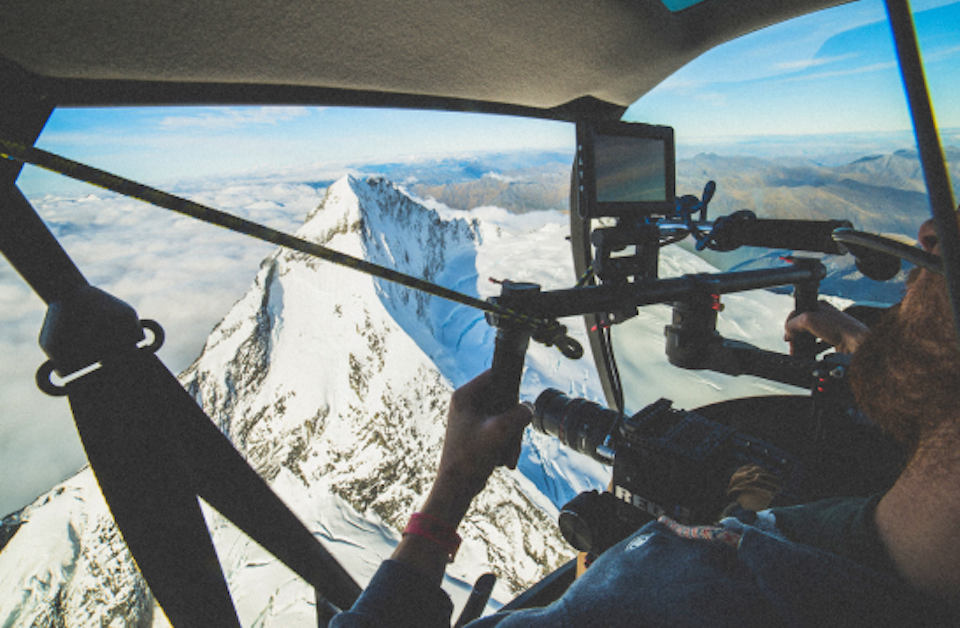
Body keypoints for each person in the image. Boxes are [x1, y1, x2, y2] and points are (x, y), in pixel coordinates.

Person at [331, 218, 958, 627]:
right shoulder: (908, 557)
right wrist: (872, 351)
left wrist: (451, 489)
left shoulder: (660, 602)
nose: (932, 233)